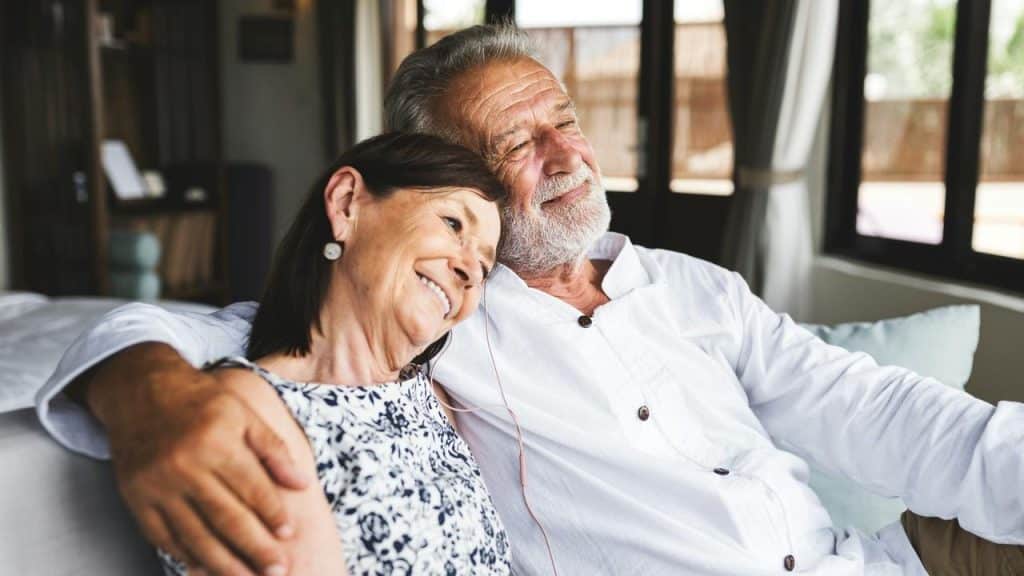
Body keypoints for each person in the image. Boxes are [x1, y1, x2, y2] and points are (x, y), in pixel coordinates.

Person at [38, 24, 1024, 576]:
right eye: (516, 143)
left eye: (563, 120)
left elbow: (878, 412)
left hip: (889, 563)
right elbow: (69, 326)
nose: (564, 155)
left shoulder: (693, 287)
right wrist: (147, 394)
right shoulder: (435, 314)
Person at [146, 132, 512, 575]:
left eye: (485, 267)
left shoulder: (428, 396)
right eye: (453, 224)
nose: (470, 270)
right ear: (346, 203)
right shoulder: (251, 416)